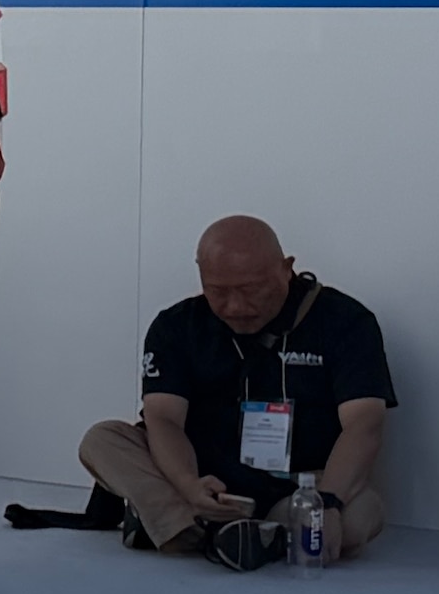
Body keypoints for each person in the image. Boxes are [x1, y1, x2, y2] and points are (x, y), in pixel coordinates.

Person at [73, 214, 395, 567]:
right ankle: (220, 530)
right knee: (103, 440)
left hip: (297, 484)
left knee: (361, 516)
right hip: (202, 479)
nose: (236, 307)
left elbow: (364, 424)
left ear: (286, 268)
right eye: (219, 292)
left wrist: (329, 501)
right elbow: (163, 419)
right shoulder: (177, 326)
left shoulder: (346, 322)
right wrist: (188, 484)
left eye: (251, 290)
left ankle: (182, 528)